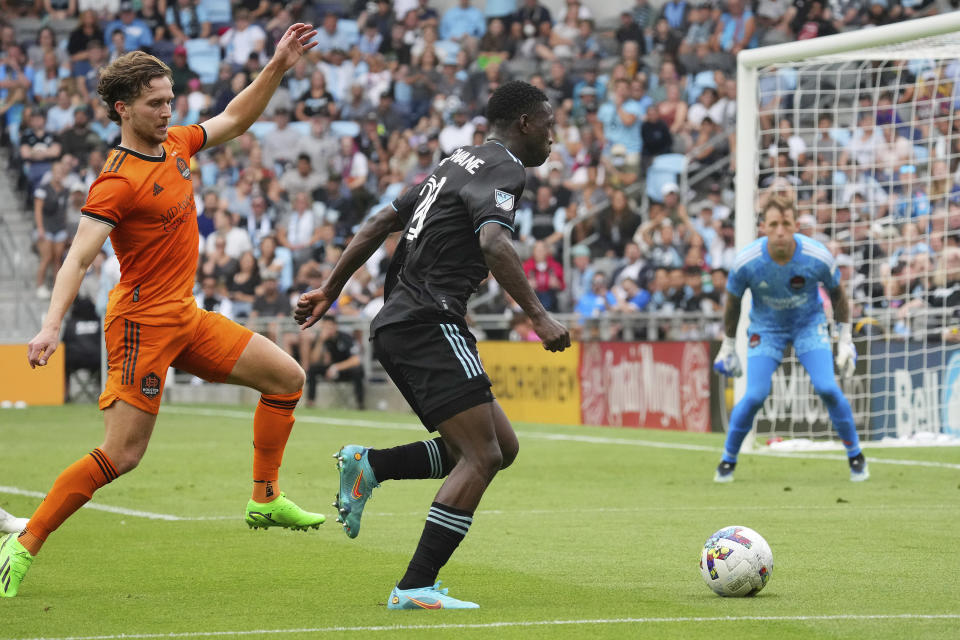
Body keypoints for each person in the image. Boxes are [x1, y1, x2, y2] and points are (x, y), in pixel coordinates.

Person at [3, 25, 323, 600]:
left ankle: (265, 497)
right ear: (122, 109)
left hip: (186, 316)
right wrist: (51, 323)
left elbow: (233, 119)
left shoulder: (176, 144)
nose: (165, 111)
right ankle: (23, 544)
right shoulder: (115, 182)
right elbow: (77, 259)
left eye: (169, 101)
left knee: (286, 378)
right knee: (122, 454)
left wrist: (277, 65)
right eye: (155, 104)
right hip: (140, 324)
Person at [295, 80, 570, 610]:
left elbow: (380, 221)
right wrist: (538, 315)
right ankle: (414, 586)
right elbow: (494, 241)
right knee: (483, 454)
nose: (553, 140)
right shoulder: (506, 168)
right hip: (430, 320)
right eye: (551, 126)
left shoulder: (455, 161)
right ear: (526, 124)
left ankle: (371, 464)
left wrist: (331, 289)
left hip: (400, 321)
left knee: (501, 447)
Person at [712, 196, 868, 483]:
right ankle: (727, 460)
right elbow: (733, 303)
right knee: (755, 394)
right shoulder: (747, 261)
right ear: (763, 227)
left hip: (809, 325)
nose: (780, 231)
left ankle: (856, 456)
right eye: (774, 224)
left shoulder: (817, 255)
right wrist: (729, 345)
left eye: (786, 224)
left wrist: (845, 338)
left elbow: (839, 295)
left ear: (796, 225)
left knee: (827, 388)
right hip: (766, 328)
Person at [305, 316, 365, 409]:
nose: (327, 330)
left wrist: (335, 367)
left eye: (329, 327)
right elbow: (314, 360)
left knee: (358, 370)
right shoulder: (322, 339)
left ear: (335, 326)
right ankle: (310, 402)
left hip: (346, 369)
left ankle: (360, 404)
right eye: (324, 328)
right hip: (332, 370)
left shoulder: (345, 337)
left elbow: (356, 360)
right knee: (313, 369)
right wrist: (320, 341)